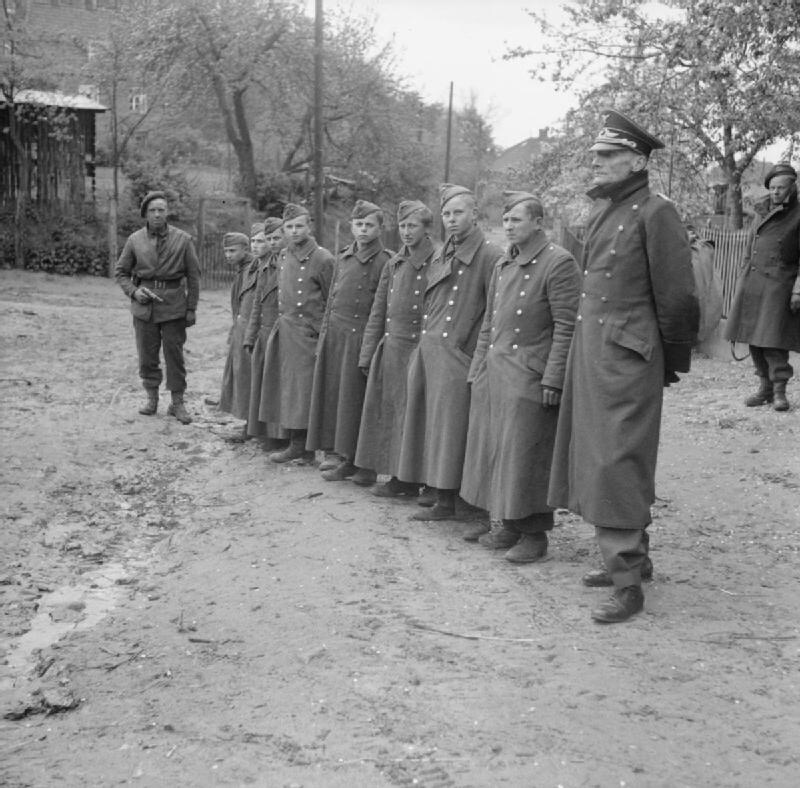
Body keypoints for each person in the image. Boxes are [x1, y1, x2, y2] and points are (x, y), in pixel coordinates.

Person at [548, 109, 699, 623]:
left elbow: (678, 298)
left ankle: (627, 581)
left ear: (637, 160)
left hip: (627, 358)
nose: (598, 163)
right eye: (596, 156)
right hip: (596, 354)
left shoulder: (656, 213)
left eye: (609, 156)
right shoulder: (608, 210)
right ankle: (632, 557)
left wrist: (669, 361)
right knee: (600, 456)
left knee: (617, 462)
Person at [461, 192, 580, 559]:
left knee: (528, 453)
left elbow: (566, 327)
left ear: (538, 222)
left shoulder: (558, 263)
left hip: (531, 373)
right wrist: (478, 368)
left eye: (516, 219)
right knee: (500, 450)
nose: (509, 226)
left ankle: (535, 535)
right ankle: (510, 524)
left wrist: (553, 378)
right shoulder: (503, 264)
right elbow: (489, 324)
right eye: (506, 220)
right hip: (496, 373)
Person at [397, 183, 503, 520]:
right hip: (432, 350)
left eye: (458, 212)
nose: (452, 219)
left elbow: (493, 311)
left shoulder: (490, 255)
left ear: (475, 214)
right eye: (446, 214)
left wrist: (473, 355)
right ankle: (441, 497)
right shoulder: (443, 252)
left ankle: (466, 505)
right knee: (435, 428)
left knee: (458, 431)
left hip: (461, 355)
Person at [306, 200, 393, 484]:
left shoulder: (385, 262)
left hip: (361, 338)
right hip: (337, 336)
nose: (363, 230)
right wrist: (325, 339)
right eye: (358, 224)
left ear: (381, 228)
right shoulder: (343, 255)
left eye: (369, 225)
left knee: (358, 403)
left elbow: (383, 310)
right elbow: (331, 299)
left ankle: (364, 466)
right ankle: (345, 457)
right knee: (339, 400)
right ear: (351, 226)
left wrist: (370, 349)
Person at [355, 200, 437, 497]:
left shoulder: (438, 260)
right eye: (402, 226)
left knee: (416, 417)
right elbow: (379, 311)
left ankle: (423, 480)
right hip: (392, 348)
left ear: (427, 229)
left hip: (418, 351)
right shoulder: (394, 263)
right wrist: (368, 353)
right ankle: (398, 476)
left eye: (412, 226)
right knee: (391, 414)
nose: (405, 232)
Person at [114, 190, 201, 424]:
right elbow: (121, 272)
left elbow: (193, 277)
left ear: (167, 212)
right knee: (147, 355)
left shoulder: (183, 240)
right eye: (152, 210)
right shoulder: (135, 240)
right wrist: (134, 291)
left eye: (161, 210)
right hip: (145, 307)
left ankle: (177, 402)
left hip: (174, 306)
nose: (157, 214)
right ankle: (151, 398)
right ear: (145, 213)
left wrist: (191, 308)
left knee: (175, 355)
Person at [258, 203, 334, 463]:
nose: (293, 231)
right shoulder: (282, 256)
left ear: (309, 226)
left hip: (309, 333)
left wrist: (319, 333)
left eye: (299, 225)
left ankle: (310, 447)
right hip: (287, 331)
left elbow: (330, 300)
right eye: (289, 227)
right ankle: (296, 444)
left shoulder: (323, 258)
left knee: (306, 391)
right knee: (290, 389)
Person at [724, 162, 800, 412]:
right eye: (773, 187)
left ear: (792, 188)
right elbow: (749, 246)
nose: (777, 192)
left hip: (780, 284)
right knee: (753, 338)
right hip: (753, 283)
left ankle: (780, 391)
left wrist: (798, 289)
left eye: (782, 187)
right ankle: (765, 389)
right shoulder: (761, 212)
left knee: (773, 338)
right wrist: (742, 277)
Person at [244, 218, 286, 446]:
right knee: (263, 384)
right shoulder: (265, 267)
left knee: (278, 385)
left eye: (274, 238)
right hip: (264, 331)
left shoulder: (287, 263)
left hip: (282, 332)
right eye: (268, 239)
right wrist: (250, 336)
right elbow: (257, 305)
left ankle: (280, 436)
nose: (271, 243)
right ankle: (265, 432)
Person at [218, 231, 257, 435]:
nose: (228, 255)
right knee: (241, 375)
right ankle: (248, 423)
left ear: (245, 249)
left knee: (248, 376)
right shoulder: (243, 269)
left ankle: (252, 426)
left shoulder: (253, 269)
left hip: (250, 331)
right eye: (226, 251)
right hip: (241, 328)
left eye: (232, 250)